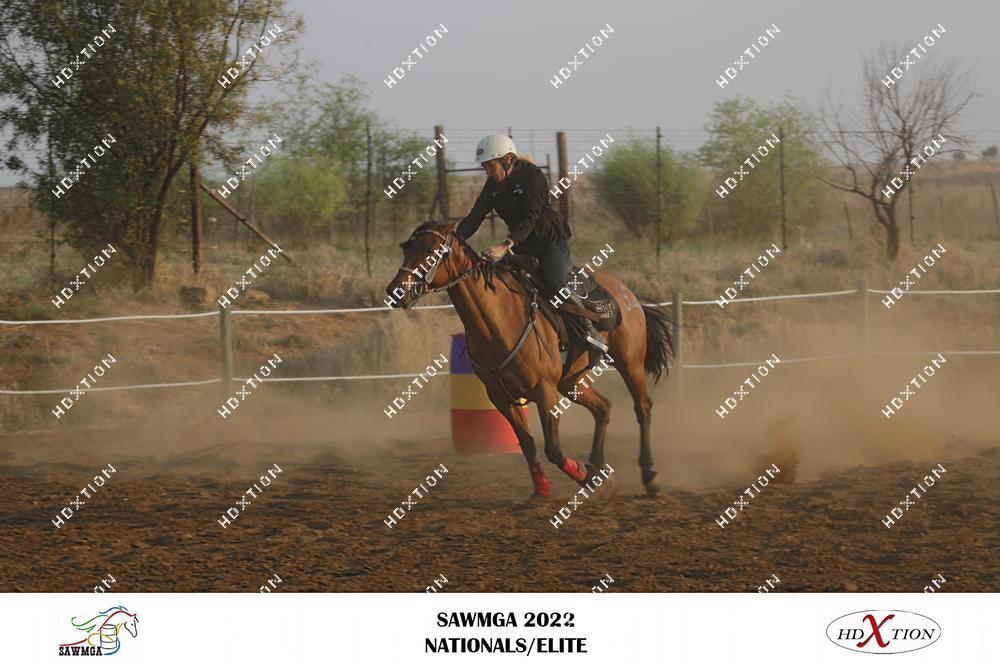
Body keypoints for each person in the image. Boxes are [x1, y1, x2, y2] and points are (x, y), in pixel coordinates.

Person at [455, 134, 607, 368]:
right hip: (523, 249)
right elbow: (475, 216)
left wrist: (504, 246)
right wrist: (453, 241)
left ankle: (590, 332)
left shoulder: (533, 176)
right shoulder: (492, 186)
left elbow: (530, 218)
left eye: (490, 165)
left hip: (551, 244)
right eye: (484, 167)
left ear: (507, 160)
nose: (487, 171)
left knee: (555, 284)